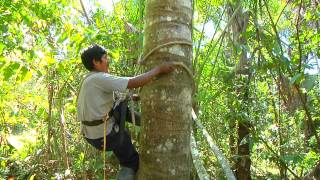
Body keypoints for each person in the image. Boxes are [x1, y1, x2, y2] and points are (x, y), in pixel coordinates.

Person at [77, 44, 175, 179]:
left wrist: (133, 97)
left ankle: (146, 121)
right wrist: (159, 69)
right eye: (105, 58)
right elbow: (133, 82)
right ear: (95, 61)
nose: (108, 61)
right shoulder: (99, 78)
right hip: (104, 136)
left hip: (92, 135)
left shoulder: (88, 80)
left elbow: (115, 97)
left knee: (121, 103)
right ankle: (146, 125)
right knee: (130, 162)